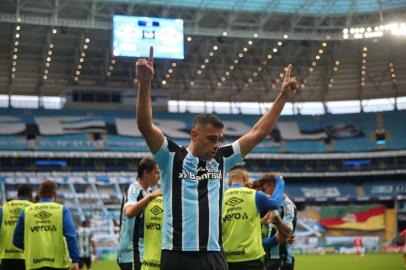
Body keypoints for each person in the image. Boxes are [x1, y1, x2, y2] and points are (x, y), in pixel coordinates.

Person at [136, 46, 299, 270]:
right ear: (194, 135)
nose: (217, 145)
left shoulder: (223, 158)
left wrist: (282, 97)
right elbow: (145, 126)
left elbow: (258, 132)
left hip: (213, 255)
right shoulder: (170, 156)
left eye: (220, 139)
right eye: (211, 139)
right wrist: (144, 84)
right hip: (176, 255)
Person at [222, 166, 284, 270]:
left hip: (227, 259)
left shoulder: (219, 196)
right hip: (251, 259)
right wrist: (280, 181)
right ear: (246, 178)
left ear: (229, 180)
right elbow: (275, 203)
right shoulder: (255, 195)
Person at [13, 180, 80, 270]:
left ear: (40, 195)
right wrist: (75, 260)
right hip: (58, 264)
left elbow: (16, 240)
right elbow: (70, 236)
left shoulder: (26, 211)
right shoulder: (62, 210)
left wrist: (30, 247)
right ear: (54, 195)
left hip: (33, 264)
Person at [117, 157, 161, 270]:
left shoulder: (149, 192)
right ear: (146, 173)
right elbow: (129, 212)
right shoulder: (134, 189)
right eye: (156, 173)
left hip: (142, 252)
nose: (158, 176)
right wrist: (151, 197)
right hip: (131, 253)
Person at [258, 173, 297, 270]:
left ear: (273, 186)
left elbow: (287, 233)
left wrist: (276, 220)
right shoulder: (267, 204)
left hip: (281, 259)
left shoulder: (287, 205)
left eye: (264, 189)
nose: (264, 193)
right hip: (267, 257)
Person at [0, 184, 33, 270]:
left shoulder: (3, 208)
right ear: (31, 195)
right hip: (28, 256)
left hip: (5, 256)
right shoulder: (34, 208)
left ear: (17, 195)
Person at [141, 194, 163, 270]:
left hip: (147, 262)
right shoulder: (171, 203)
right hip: (164, 260)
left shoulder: (148, 201)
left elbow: (141, 233)